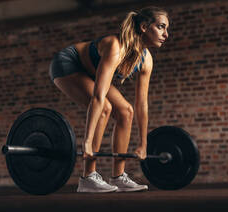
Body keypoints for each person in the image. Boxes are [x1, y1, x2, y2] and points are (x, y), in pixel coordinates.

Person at [49, 7, 169, 193]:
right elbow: (98, 97)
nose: (166, 34)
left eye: (166, 29)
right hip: (68, 64)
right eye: (161, 27)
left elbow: (141, 105)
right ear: (144, 26)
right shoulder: (116, 47)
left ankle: (118, 176)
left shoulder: (146, 61)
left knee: (126, 111)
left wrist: (143, 144)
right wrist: (87, 142)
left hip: (89, 72)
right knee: (104, 106)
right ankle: (88, 177)